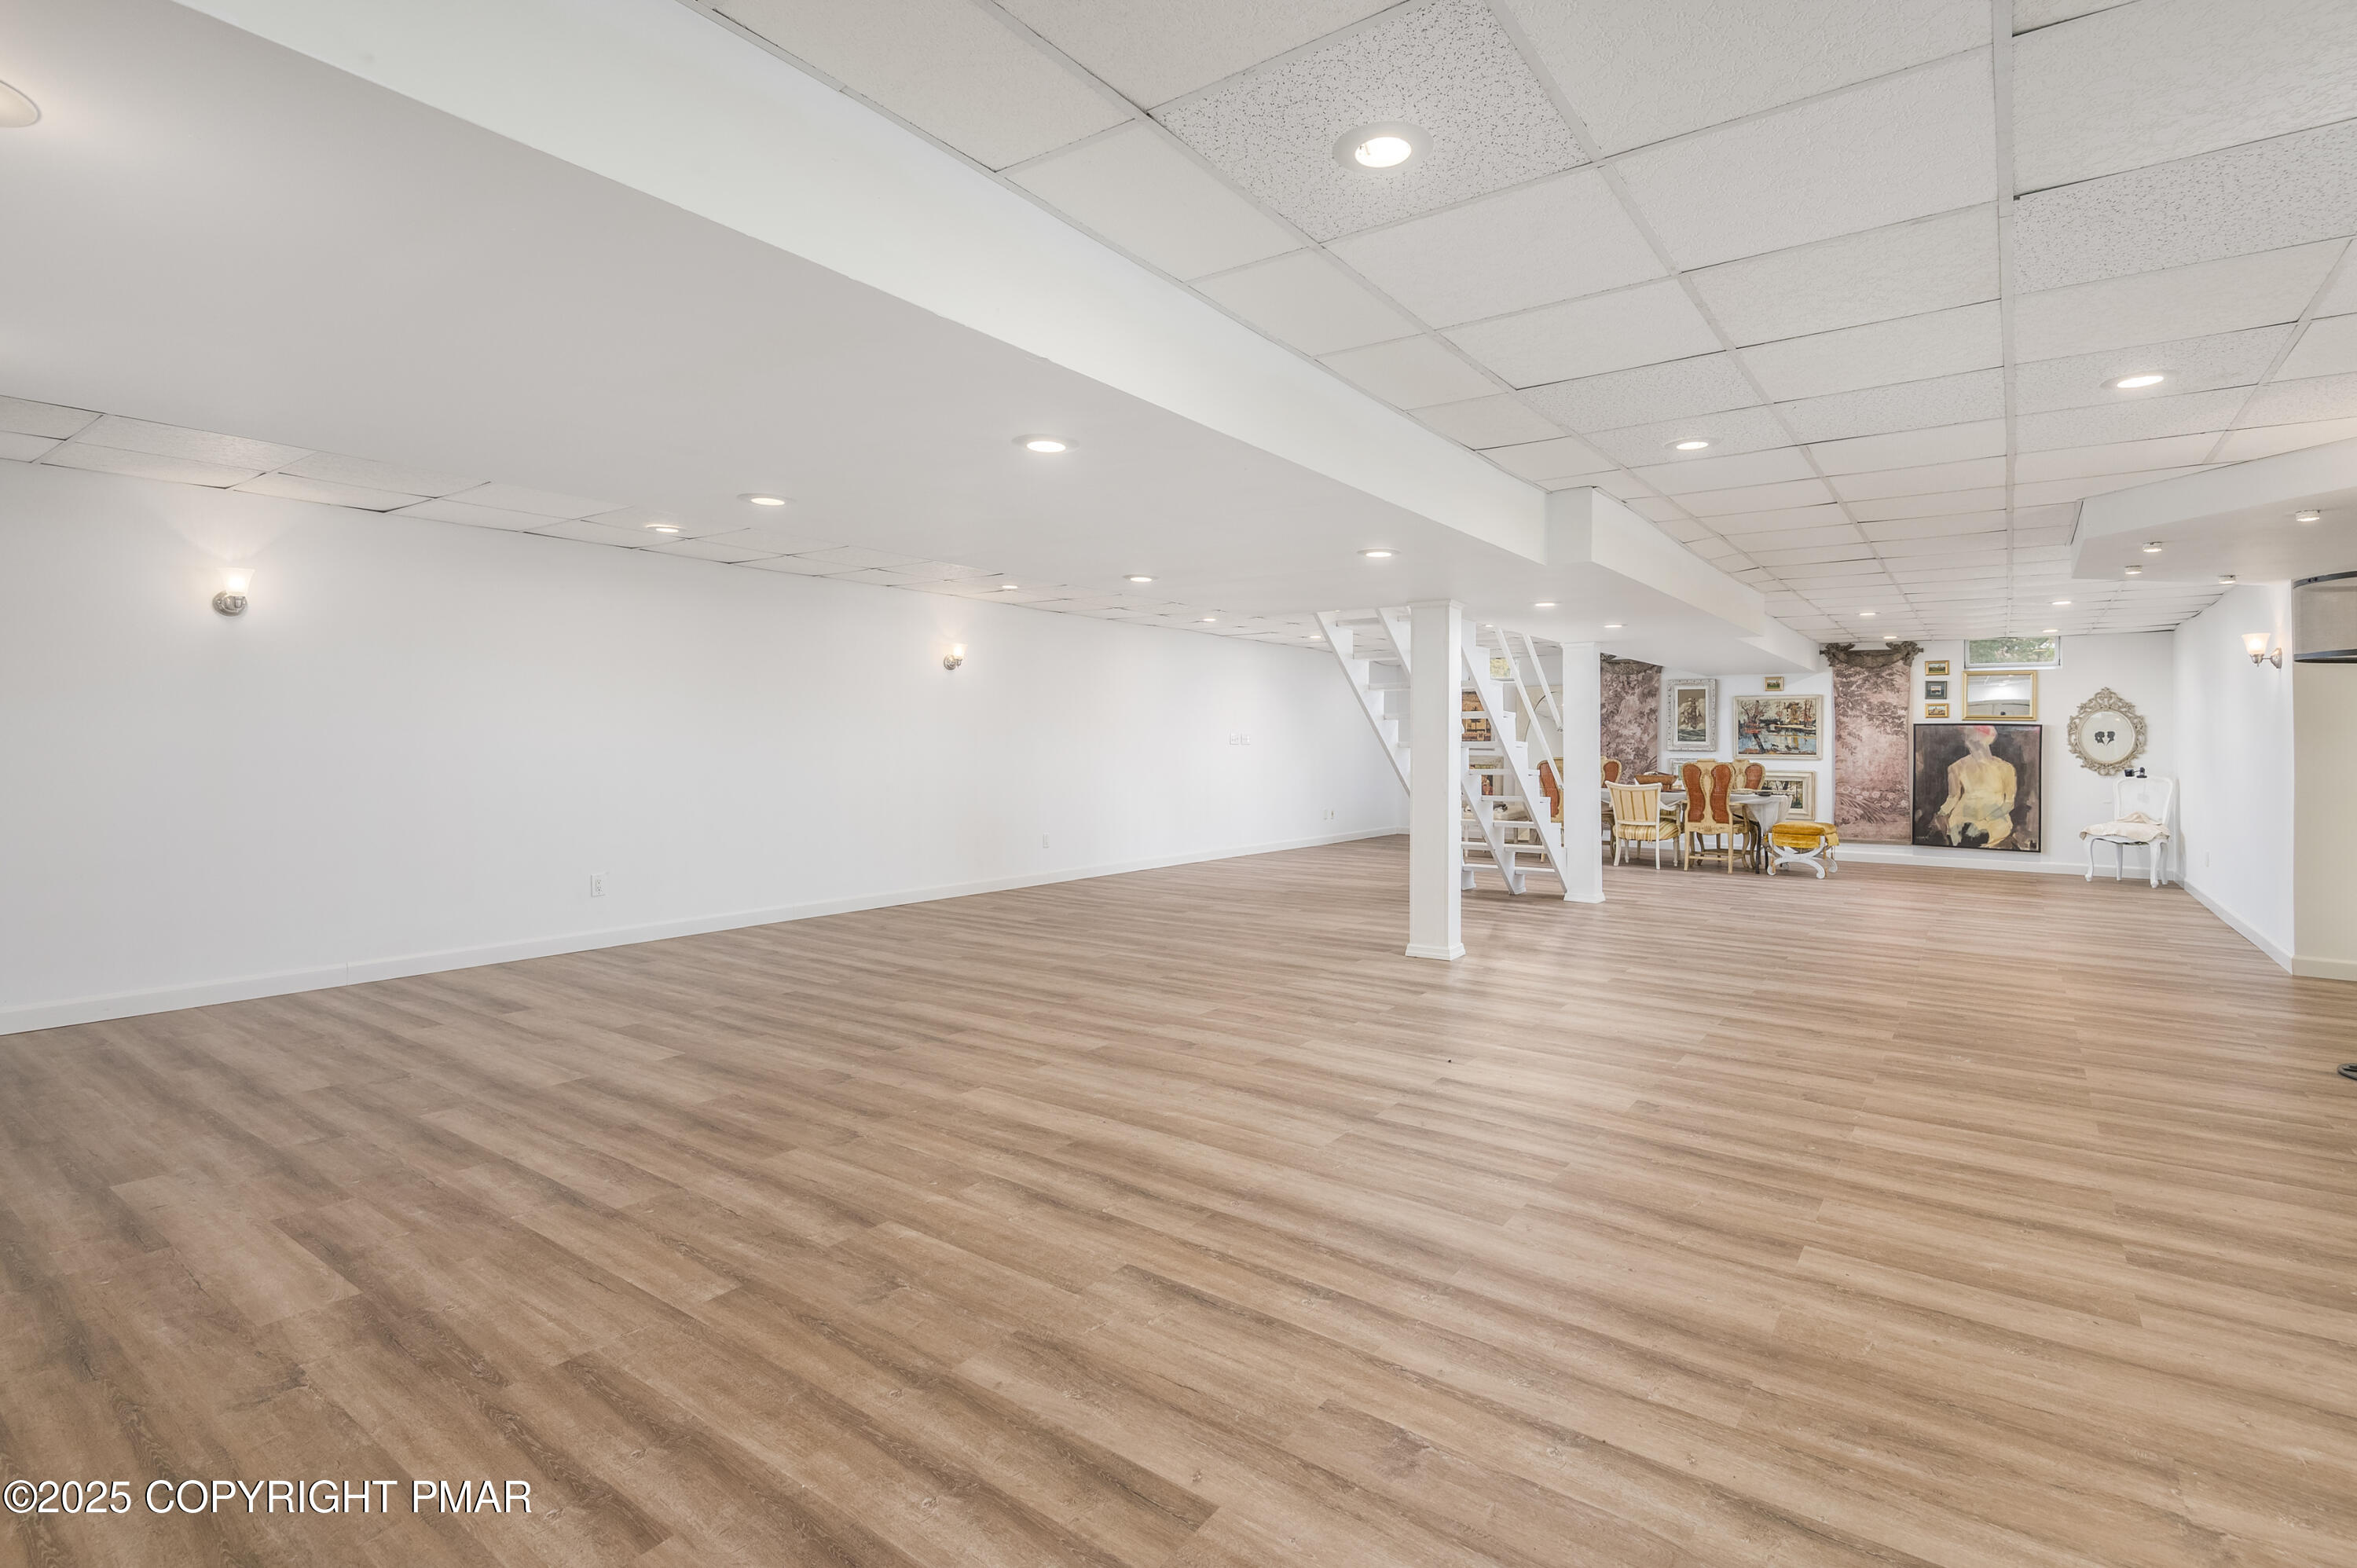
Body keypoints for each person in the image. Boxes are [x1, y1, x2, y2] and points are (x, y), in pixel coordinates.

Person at [1934, 724, 2016, 848]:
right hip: (1962, 818)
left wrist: (1984, 822)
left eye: (1975, 739)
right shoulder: (1956, 767)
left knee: (1982, 839)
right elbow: (1953, 797)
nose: (1970, 742)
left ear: (1989, 739)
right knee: (1962, 839)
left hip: (1995, 820)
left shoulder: (2005, 768)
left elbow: (2009, 803)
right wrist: (1941, 813)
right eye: (1968, 738)